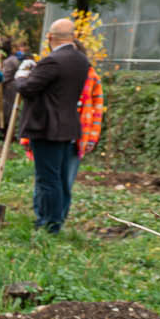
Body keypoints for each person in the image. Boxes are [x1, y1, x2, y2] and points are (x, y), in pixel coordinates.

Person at [15, 18, 93, 234]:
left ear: (50, 37)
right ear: (73, 37)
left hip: (47, 128)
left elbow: (29, 88)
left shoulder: (53, 61)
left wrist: (21, 75)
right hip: (68, 126)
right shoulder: (81, 60)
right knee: (58, 178)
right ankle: (53, 221)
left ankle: (49, 225)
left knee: (47, 179)